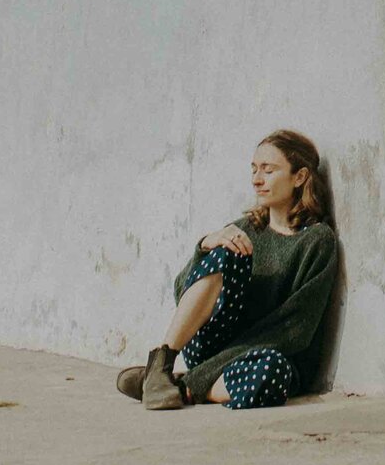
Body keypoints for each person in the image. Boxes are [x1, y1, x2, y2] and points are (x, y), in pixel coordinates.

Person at [115, 131, 341, 411]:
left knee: (271, 374)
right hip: (212, 346)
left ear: (300, 177)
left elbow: (294, 331)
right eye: (254, 169)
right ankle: (162, 365)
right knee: (224, 251)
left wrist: (204, 373)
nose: (256, 180)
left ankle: (183, 386)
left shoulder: (316, 241)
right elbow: (181, 290)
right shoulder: (245, 230)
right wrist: (204, 247)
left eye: (268, 170)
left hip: (264, 355)